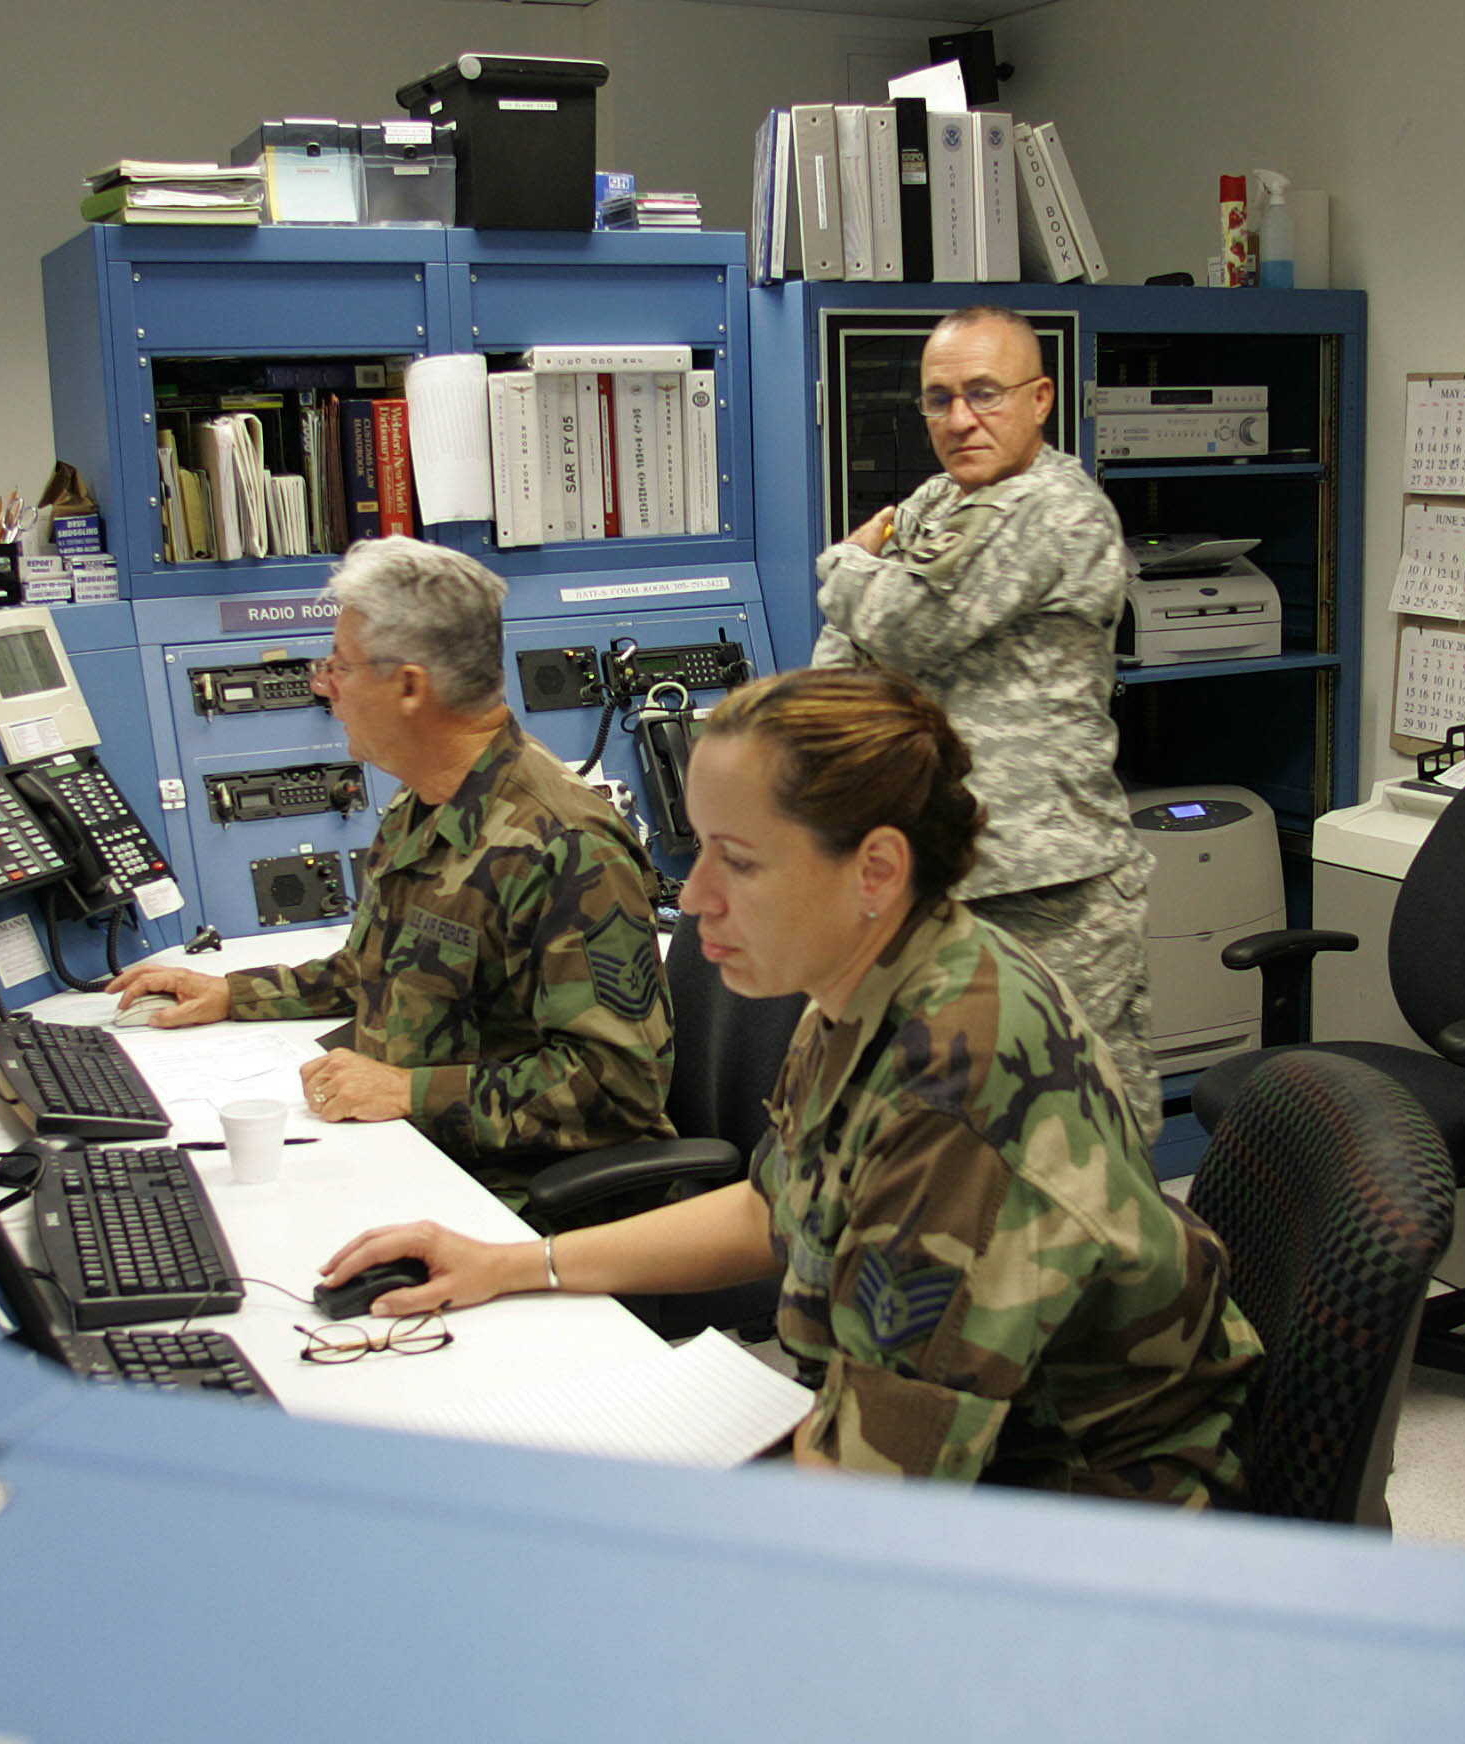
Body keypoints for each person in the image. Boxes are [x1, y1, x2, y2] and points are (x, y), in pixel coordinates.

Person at [322, 666, 1261, 1503]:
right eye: (699, 851)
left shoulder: (955, 1092)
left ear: (876, 870)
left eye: (740, 860)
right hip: (945, 1456)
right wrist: (507, 1264)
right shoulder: (870, 979)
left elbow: (872, 1492)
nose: (692, 899)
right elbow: (774, 1209)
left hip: (1086, 1511)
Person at [107, 537, 673, 1201]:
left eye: (340, 667)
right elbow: (382, 970)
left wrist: (407, 1090)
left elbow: (619, 1086)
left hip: (513, 1201)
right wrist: (233, 993)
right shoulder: (427, 802)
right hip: (409, 1157)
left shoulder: (564, 846)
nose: (325, 688)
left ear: (409, 685)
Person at [812, 304, 1161, 1145]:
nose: (960, 418)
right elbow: (840, 666)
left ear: (1040, 399)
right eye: (938, 399)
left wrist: (842, 562)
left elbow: (905, 628)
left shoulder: (1055, 508)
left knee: (1080, 1122)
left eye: (983, 393)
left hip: (1050, 888)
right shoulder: (937, 499)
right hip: (943, 873)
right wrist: (865, 588)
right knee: (954, 1128)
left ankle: (1132, 1279)